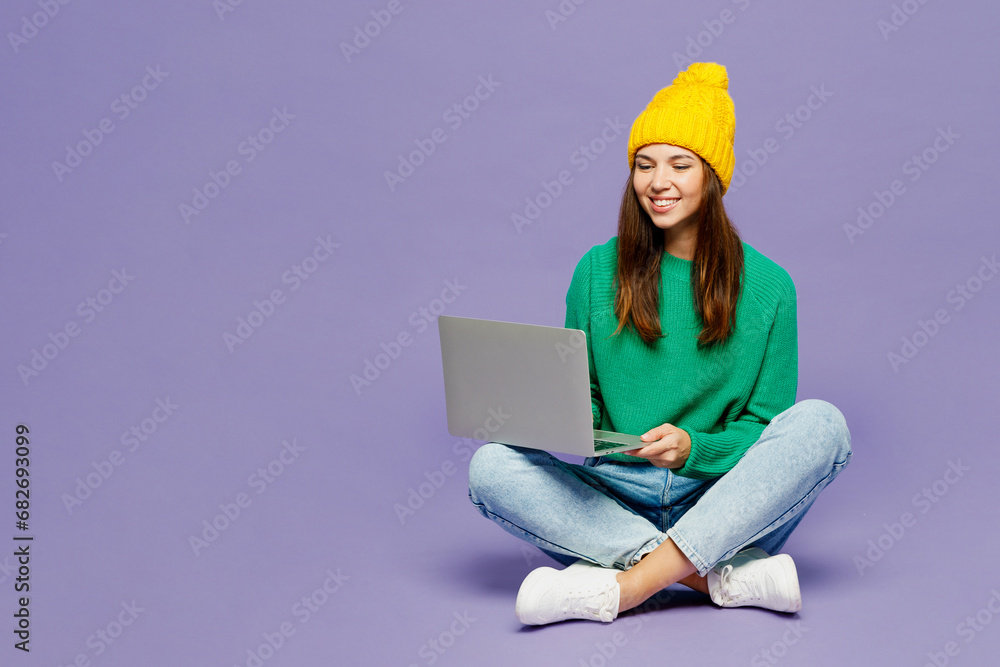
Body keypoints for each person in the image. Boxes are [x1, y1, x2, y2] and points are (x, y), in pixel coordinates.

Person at [466, 62, 852, 626]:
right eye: (644, 165)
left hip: (723, 499)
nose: (658, 181)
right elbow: (587, 397)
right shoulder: (597, 271)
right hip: (613, 498)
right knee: (490, 466)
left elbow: (765, 424)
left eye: (679, 164)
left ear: (713, 176)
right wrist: (550, 415)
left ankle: (620, 590)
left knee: (822, 424)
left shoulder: (770, 288)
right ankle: (720, 578)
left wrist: (692, 449)